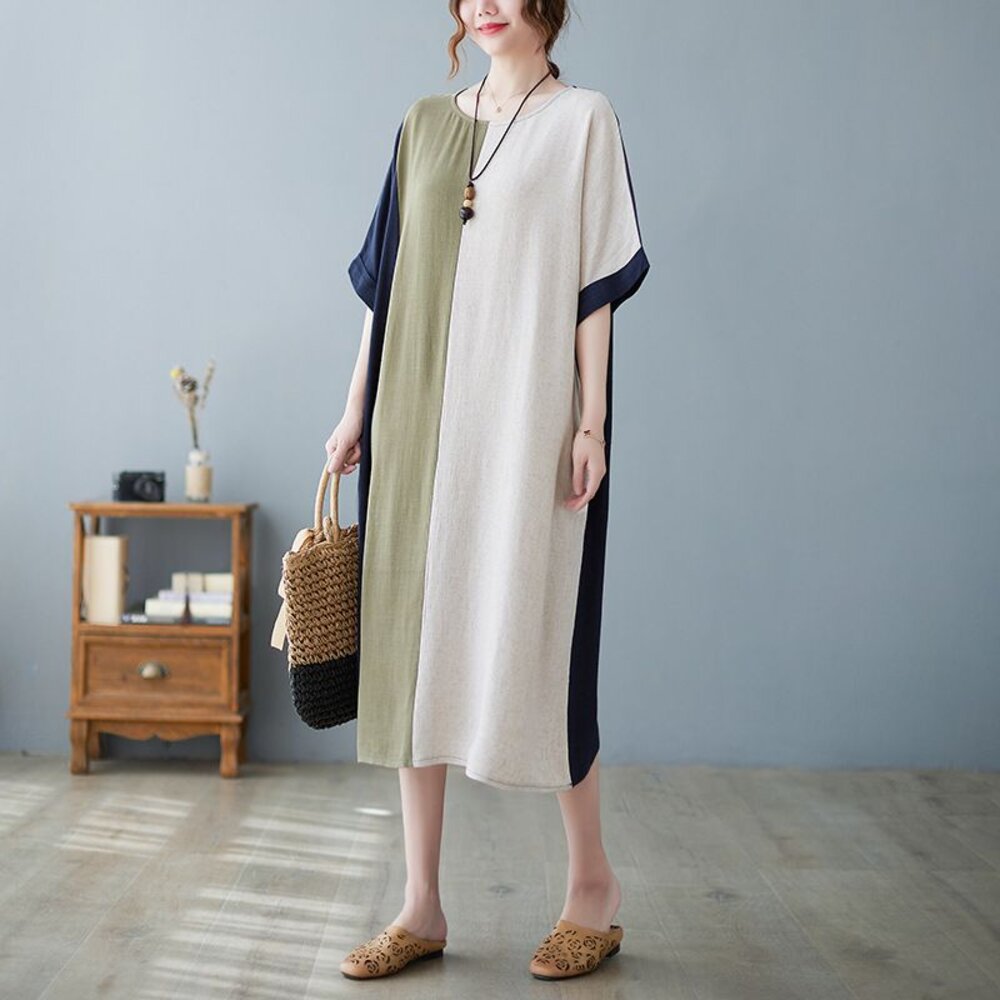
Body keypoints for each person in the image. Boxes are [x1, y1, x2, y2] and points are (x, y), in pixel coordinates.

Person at [325, 0, 650, 982]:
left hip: (526, 422)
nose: (485, 6)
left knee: (545, 646)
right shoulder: (425, 124)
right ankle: (420, 904)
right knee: (411, 650)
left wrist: (591, 421)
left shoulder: (583, 120)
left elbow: (595, 287)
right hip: (414, 423)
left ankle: (591, 888)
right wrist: (354, 410)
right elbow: (386, 288)